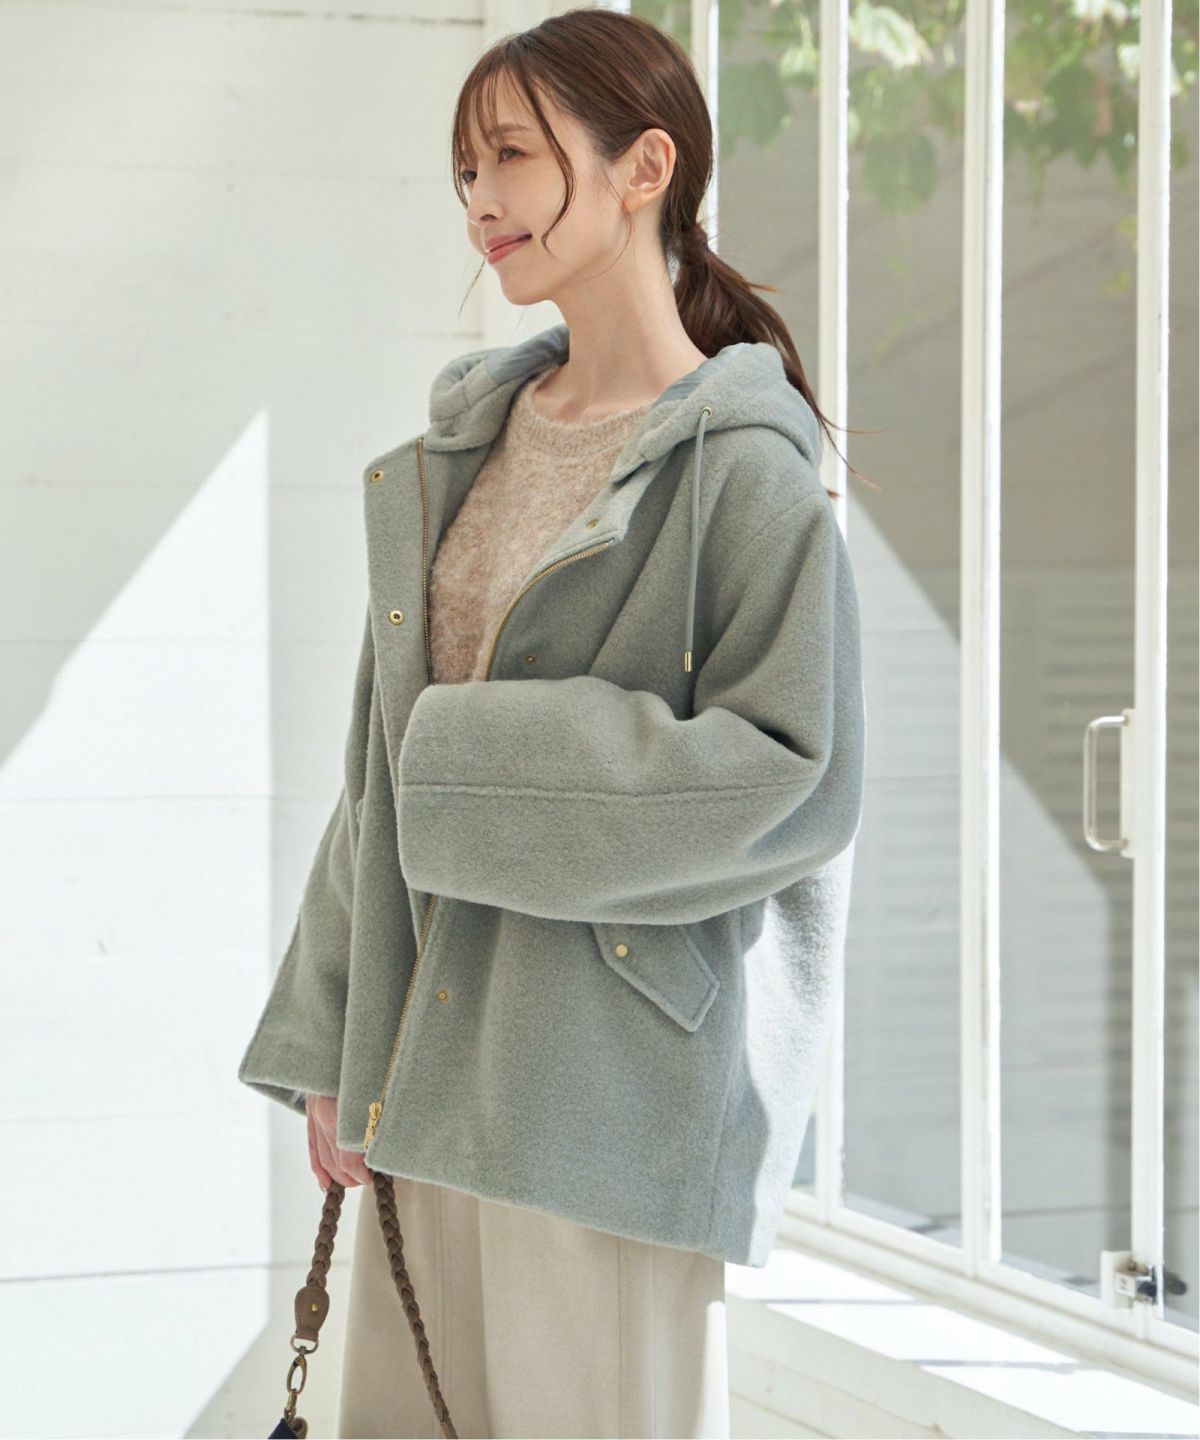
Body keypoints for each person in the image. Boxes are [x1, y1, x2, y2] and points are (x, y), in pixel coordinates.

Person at [237, 9, 867, 1438]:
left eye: (513, 155)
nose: (480, 197)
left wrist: (471, 769)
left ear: (646, 168)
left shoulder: (747, 473)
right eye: (465, 168)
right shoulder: (465, 449)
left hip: (608, 1092)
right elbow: (376, 776)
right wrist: (333, 1033)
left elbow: (794, 777)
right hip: (426, 1063)